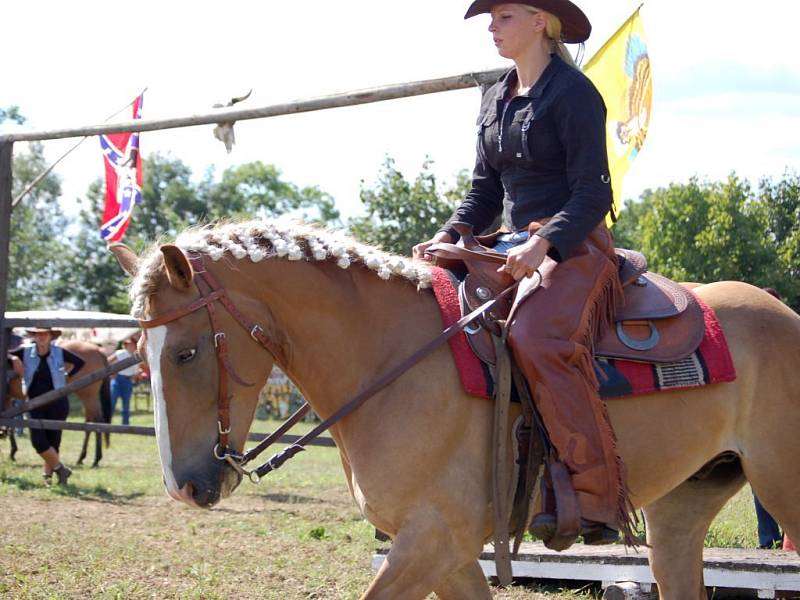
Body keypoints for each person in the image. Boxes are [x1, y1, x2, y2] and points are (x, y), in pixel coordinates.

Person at [413, 1, 634, 544]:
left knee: (537, 338)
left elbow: (593, 192)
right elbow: (484, 192)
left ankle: (596, 497)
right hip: (506, 245)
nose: (492, 26)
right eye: (491, 18)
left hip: (574, 245)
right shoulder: (496, 98)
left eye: (504, 16)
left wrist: (543, 242)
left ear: (541, 22)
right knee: (429, 314)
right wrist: (446, 235)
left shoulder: (575, 93)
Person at [11, 327, 85, 486]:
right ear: (34, 336)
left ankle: (49, 476)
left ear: (51, 336)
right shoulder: (25, 351)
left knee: (54, 440)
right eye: (38, 334)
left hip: (57, 402)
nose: (41, 337)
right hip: (34, 402)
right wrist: (13, 358)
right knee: (38, 441)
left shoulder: (59, 351)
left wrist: (67, 375)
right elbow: (7, 354)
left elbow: (80, 362)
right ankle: (61, 469)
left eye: (45, 334)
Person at [108, 335, 140, 425]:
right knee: (112, 403)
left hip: (128, 381)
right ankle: (107, 423)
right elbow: (108, 361)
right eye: (127, 344)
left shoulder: (136, 356)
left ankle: (125, 425)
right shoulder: (120, 353)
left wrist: (134, 376)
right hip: (117, 379)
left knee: (126, 406)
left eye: (131, 344)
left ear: (134, 345)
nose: (129, 345)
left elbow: (136, 371)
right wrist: (111, 373)